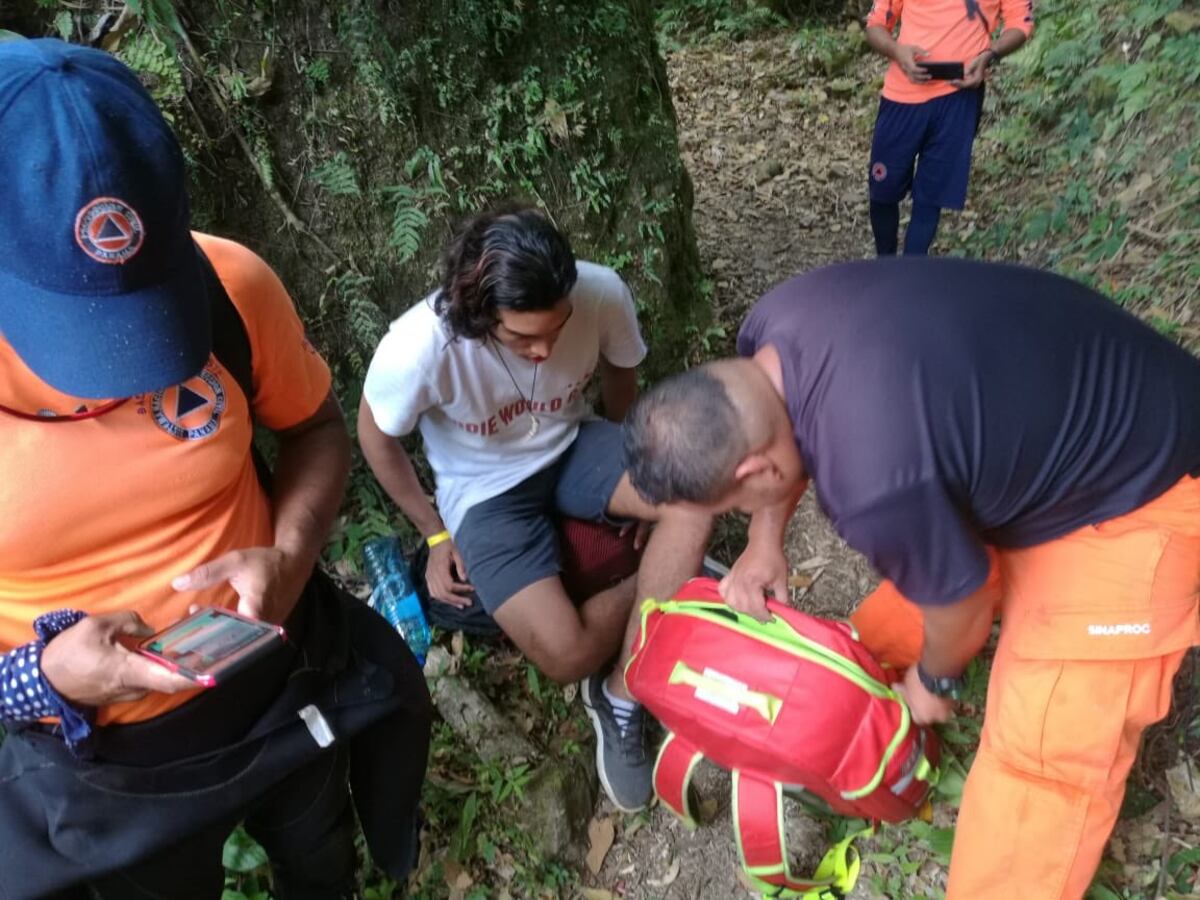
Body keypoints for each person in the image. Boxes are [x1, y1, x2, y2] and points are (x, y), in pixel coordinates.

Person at [620, 258, 1200, 899]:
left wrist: (933, 680)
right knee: (874, 637)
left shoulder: (873, 481)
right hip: (1050, 424)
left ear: (754, 470)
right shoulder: (775, 326)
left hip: (1147, 490)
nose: (741, 511)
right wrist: (764, 540)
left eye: (734, 506)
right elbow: (788, 447)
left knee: (1041, 762)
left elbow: (966, 597)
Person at [0, 39, 431, 898]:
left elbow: (313, 431)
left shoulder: (229, 286)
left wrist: (290, 558)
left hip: (279, 685)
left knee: (317, 856)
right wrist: (39, 679)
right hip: (110, 767)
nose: (129, 378)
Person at [358, 205, 660, 811]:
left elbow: (622, 370)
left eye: (557, 327)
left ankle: (635, 668)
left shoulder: (599, 291)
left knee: (684, 488)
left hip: (576, 445)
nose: (546, 349)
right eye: (524, 337)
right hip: (485, 494)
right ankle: (674, 587)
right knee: (566, 654)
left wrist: (626, 460)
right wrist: (436, 535)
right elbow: (375, 436)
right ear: (478, 314)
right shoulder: (420, 345)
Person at [864, 0, 1033, 256]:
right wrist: (897, 51)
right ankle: (884, 264)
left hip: (960, 96)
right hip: (902, 95)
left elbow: (1021, 23)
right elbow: (875, 25)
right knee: (882, 190)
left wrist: (990, 54)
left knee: (931, 195)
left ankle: (911, 272)